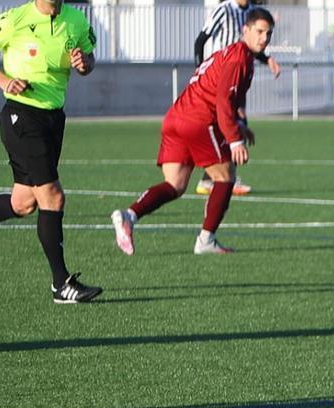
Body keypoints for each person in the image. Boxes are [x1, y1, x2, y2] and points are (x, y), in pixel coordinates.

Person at [110, 8, 274, 256]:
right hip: (198, 120)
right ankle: (206, 240)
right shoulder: (239, 58)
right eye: (260, 31)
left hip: (175, 118)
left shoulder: (230, 54)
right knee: (225, 177)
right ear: (246, 30)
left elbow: (221, 96)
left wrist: (238, 126)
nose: (264, 38)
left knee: (175, 185)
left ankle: (128, 216)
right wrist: (234, 140)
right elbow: (222, 102)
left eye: (269, 33)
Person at [0, 0, 101, 303]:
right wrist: (4, 81)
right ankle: (61, 284)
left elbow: (89, 59)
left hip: (53, 118)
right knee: (53, 195)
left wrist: (84, 63)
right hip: (21, 115)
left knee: (23, 203)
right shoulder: (14, 19)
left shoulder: (76, 20)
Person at [192, 0, 280, 196]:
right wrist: (200, 70)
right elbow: (200, 40)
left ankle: (212, 178)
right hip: (221, 76)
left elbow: (251, 47)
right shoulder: (224, 10)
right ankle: (223, 176)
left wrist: (267, 59)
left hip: (238, 75)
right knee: (229, 122)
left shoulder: (250, 12)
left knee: (237, 122)